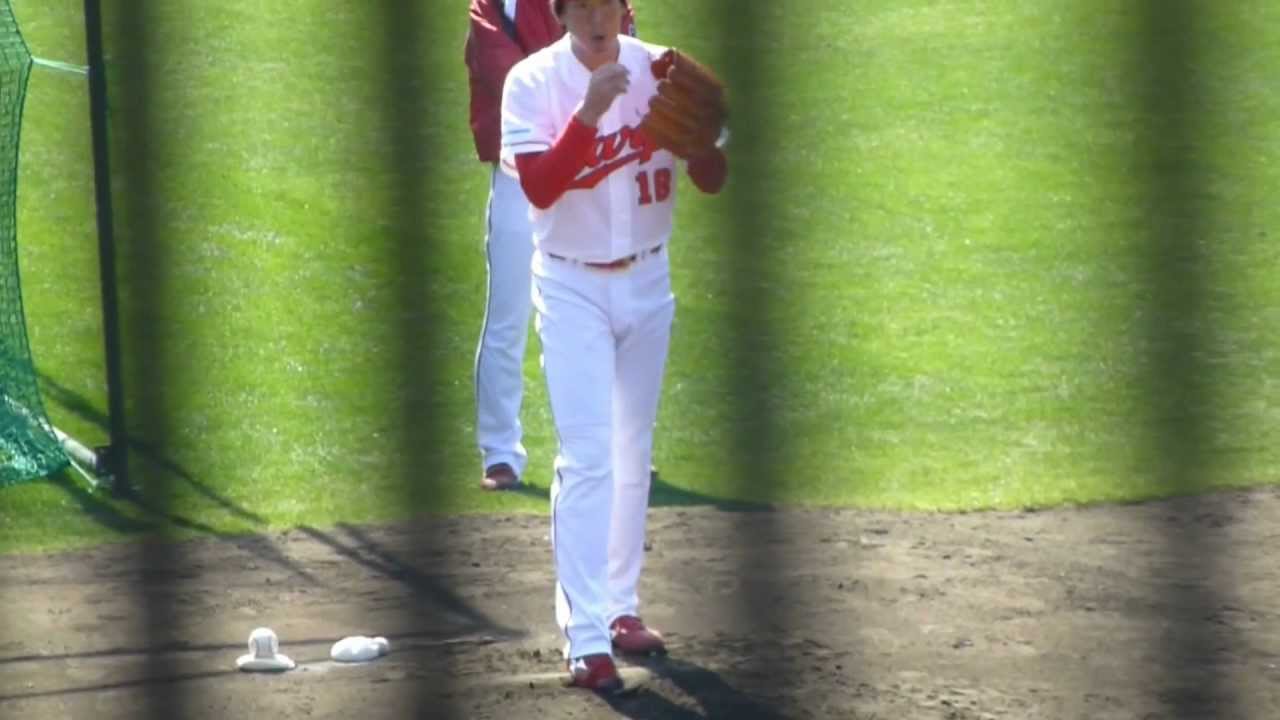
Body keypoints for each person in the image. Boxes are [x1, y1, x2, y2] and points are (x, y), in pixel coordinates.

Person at [500, 0, 727, 692]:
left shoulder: (663, 72)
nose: (596, 19)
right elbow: (540, 188)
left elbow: (713, 179)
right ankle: (587, 636)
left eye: (606, 3)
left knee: (633, 450)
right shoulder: (531, 83)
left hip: (649, 279)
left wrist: (702, 145)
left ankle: (621, 608)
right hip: (571, 285)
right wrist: (590, 112)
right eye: (581, 6)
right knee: (588, 455)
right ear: (560, 12)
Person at [465, 0, 637, 491]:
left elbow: (624, 65)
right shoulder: (494, 6)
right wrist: (585, 97)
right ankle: (500, 452)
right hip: (520, 173)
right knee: (508, 315)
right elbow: (510, 81)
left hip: (595, 168)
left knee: (610, 309)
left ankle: (620, 446)